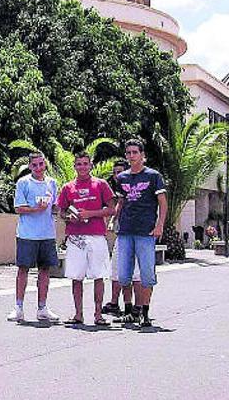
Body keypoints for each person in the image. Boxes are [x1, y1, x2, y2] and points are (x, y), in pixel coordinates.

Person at [56, 152, 116, 325]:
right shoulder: (68, 187)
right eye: (79, 164)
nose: (82, 167)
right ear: (75, 166)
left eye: (85, 163)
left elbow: (111, 209)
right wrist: (69, 217)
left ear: (91, 165)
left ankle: (98, 314)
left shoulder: (101, 184)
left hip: (96, 235)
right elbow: (61, 212)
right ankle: (78, 314)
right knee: (76, 277)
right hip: (75, 237)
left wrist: (91, 213)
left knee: (99, 276)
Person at [115, 139, 168, 327]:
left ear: (142, 154)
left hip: (146, 232)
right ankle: (129, 311)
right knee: (123, 275)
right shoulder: (122, 178)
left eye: (134, 152)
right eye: (128, 153)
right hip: (125, 231)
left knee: (146, 275)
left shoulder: (153, 176)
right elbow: (121, 203)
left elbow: (162, 202)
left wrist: (160, 225)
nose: (131, 156)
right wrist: (113, 219)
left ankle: (145, 312)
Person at [8, 152, 60, 323]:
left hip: (47, 234)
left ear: (45, 164)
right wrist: (35, 208)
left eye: (41, 164)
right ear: (30, 166)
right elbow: (18, 208)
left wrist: (57, 209)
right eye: (34, 165)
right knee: (23, 269)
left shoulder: (52, 183)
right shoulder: (23, 183)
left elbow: (55, 207)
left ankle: (42, 307)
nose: (38, 168)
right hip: (27, 234)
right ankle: (18, 307)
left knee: (45, 270)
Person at [102, 160, 144, 318]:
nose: (116, 175)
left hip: (137, 235)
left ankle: (139, 307)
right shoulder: (118, 190)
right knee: (118, 271)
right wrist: (113, 220)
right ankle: (119, 305)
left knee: (136, 274)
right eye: (114, 172)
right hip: (122, 234)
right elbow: (118, 205)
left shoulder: (137, 187)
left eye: (120, 171)